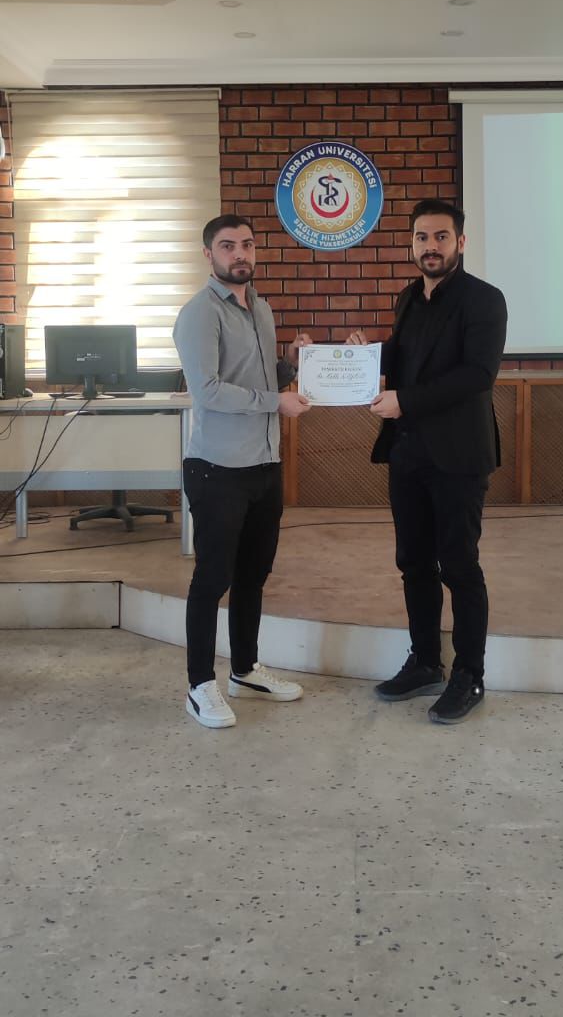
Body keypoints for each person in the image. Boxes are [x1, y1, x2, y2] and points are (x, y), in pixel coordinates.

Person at [348, 199, 507, 725]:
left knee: (459, 566)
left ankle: (469, 676)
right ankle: (424, 662)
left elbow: (477, 374)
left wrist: (406, 402)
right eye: (422, 237)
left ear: (461, 242)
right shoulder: (410, 297)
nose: (430, 246)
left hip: (458, 456)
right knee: (413, 563)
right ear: (411, 244)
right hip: (408, 451)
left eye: (441, 236)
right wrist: (362, 355)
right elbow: (403, 355)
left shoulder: (484, 300)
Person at [173, 214, 311, 728]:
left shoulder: (261, 308)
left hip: (263, 465)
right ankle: (199, 686)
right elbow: (208, 390)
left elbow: (257, 378)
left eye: (248, 245)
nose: (240, 254)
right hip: (218, 469)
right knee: (213, 579)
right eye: (228, 245)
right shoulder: (199, 313)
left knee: (254, 575)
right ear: (208, 254)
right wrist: (275, 400)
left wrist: (289, 364)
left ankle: (246, 670)